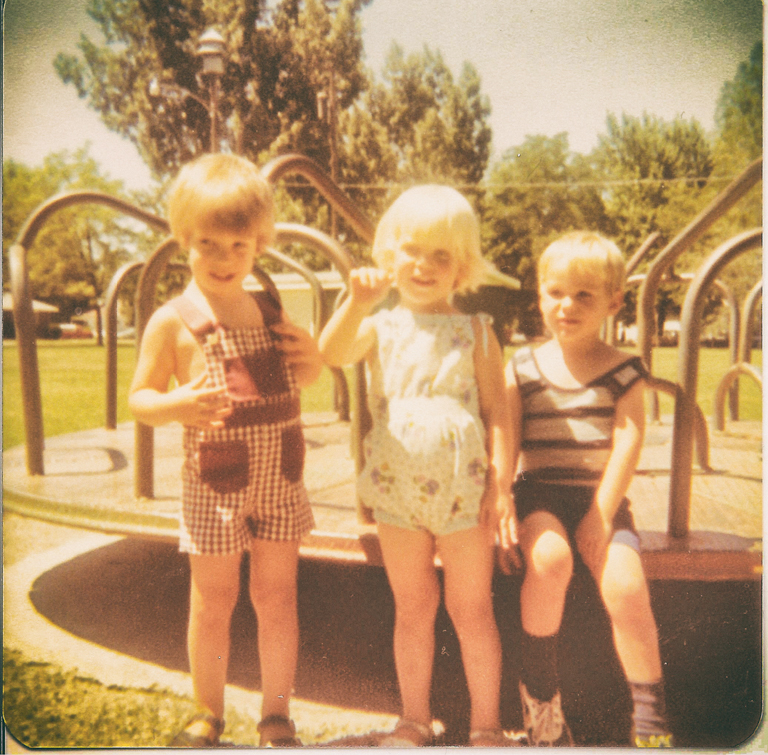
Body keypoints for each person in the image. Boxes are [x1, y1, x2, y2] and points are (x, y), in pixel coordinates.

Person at [129, 154, 322, 748]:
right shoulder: (173, 320)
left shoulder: (270, 313)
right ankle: (207, 713)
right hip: (213, 489)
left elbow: (307, 378)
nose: (224, 259)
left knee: (276, 597)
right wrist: (176, 405)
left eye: (239, 245)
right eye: (208, 243)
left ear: (259, 244)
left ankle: (277, 715)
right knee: (214, 600)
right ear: (182, 239)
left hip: (280, 481)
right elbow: (139, 399)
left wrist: (311, 355)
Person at [319, 185, 516, 747]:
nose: (423, 266)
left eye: (441, 256)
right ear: (388, 255)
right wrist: (356, 301)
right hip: (396, 491)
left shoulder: (477, 331)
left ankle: (485, 725)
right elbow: (331, 352)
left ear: (463, 267)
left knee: (472, 608)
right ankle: (412, 718)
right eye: (412, 251)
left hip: (464, 494)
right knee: (413, 608)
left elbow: (499, 415)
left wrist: (500, 487)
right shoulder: (380, 326)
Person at [502, 231, 673, 747]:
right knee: (550, 561)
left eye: (584, 295)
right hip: (540, 496)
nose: (567, 305)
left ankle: (651, 720)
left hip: (601, 499)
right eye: (555, 292)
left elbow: (629, 438)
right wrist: (502, 499)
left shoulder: (624, 369)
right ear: (539, 295)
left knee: (626, 585)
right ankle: (542, 706)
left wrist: (601, 514)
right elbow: (507, 437)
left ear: (613, 302)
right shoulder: (523, 365)